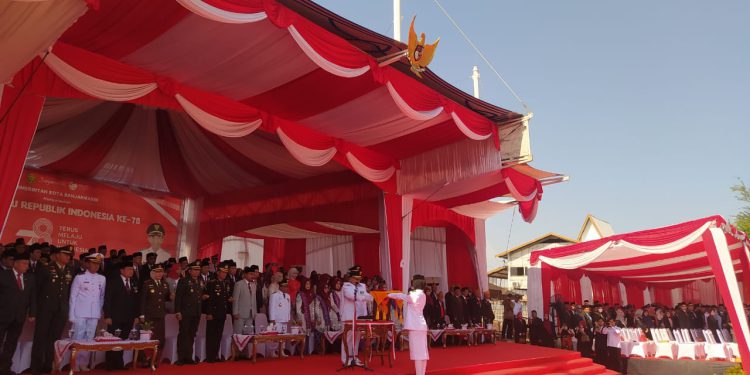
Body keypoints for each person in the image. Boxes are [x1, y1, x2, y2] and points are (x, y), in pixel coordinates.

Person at [30, 246, 73, 375]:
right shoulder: (46, 268)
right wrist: (33, 310)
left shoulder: (69, 270)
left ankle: (48, 365)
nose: (68, 257)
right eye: (65, 254)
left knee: (54, 339)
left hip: (60, 309)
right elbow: (36, 291)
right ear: (57, 255)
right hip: (46, 308)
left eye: (69, 255)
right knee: (40, 337)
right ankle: (36, 367)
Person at [0, 251, 36, 375]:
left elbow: (32, 297)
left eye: (28, 264)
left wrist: (32, 312)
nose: (27, 266)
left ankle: (4, 368)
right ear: (15, 263)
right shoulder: (3, 275)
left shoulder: (29, 278)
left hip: (19, 317)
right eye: (24, 263)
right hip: (3, 315)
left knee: (11, 343)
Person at [69, 253, 106, 371]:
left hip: (94, 313)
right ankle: (75, 364)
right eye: (94, 264)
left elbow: (101, 297)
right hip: (80, 312)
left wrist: (98, 312)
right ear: (88, 263)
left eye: (98, 264)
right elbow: (73, 297)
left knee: (89, 338)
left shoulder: (102, 278)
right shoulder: (79, 277)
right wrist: (71, 314)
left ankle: (83, 363)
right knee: (78, 336)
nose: (96, 266)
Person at [103, 258, 140, 370]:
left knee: (122, 340)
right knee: (113, 340)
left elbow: (136, 300)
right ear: (122, 270)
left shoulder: (133, 282)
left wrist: (136, 316)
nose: (131, 271)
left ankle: (119, 363)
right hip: (115, 317)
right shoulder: (113, 281)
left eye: (132, 269)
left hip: (128, 317)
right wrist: (107, 315)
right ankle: (110, 364)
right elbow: (107, 299)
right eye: (129, 269)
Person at [388, 275, 429, 375]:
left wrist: (389, 294)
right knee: (423, 353)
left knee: (418, 354)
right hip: (421, 326)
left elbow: (402, 296)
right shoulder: (422, 294)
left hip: (416, 327)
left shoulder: (415, 295)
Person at [340, 266, 373, 366]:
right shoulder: (346, 287)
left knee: (357, 337)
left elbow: (367, 296)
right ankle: (346, 359)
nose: (357, 280)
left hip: (360, 316)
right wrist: (364, 297)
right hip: (349, 316)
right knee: (348, 337)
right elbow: (352, 296)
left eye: (358, 278)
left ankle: (355, 356)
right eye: (355, 278)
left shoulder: (361, 286)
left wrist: (374, 296)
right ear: (350, 277)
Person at [139, 264, 170, 366]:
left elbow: (167, 297)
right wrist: (142, 315)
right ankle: (144, 360)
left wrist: (171, 296)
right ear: (152, 273)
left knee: (159, 338)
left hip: (160, 315)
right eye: (157, 272)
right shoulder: (147, 284)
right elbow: (142, 300)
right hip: (149, 315)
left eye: (161, 272)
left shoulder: (165, 284)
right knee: (147, 338)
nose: (159, 274)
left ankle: (155, 359)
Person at [174, 261, 203, 365]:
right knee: (183, 334)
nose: (197, 272)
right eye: (195, 270)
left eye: (198, 270)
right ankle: (181, 358)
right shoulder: (184, 281)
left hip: (196, 312)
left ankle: (189, 357)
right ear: (189, 271)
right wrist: (178, 311)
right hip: (185, 312)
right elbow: (178, 298)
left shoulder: (199, 281)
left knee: (191, 334)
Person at [203, 261, 232, 362]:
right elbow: (209, 300)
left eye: (226, 272)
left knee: (218, 335)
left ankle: (215, 355)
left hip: (221, 313)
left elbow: (224, 298)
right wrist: (209, 313)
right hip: (213, 313)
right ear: (218, 272)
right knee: (211, 335)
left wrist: (230, 299)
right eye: (223, 272)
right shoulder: (212, 283)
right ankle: (210, 357)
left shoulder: (225, 283)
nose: (224, 274)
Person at [232, 265, 263, 334]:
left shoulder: (254, 285)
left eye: (253, 274)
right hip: (240, 313)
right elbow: (235, 299)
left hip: (250, 313)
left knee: (248, 333)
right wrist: (235, 312)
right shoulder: (239, 284)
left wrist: (254, 312)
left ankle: (246, 345)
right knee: (238, 333)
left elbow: (254, 300)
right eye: (250, 274)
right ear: (245, 274)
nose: (252, 276)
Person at [296, 276, 322, 354]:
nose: (308, 285)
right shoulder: (300, 294)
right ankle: (302, 351)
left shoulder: (312, 294)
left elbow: (315, 307)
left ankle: (310, 351)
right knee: (304, 333)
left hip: (311, 317)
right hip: (304, 317)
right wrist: (299, 318)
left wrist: (318, 318)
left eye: (309, 284)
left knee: (311, 334)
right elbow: (298, 308)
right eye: (306, 284)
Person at [268, 280, 291, 357]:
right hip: (277, 319)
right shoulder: (274, 295)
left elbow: (288, 308)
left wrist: (288, 318)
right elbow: (271, 307)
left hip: (284, 319)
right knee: (275, 336)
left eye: (287, 286)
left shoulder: (288, 296)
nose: (286, 288)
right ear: (280, 287)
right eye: (284, 286)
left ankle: (281, 350)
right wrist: (272, 319)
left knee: (283, 336)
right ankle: (273, 351)